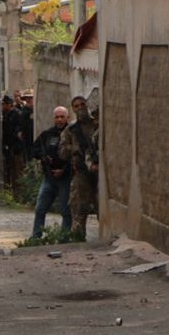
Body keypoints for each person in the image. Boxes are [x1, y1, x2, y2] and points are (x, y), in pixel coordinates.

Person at [30, 106, 74, 239]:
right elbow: (34, 150)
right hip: (49, 178)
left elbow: (76, 156)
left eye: (62, 117)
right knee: (40, 208)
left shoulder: (72, 134)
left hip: (65, 177)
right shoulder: (47, 134)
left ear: (68, 118)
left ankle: (64, 237)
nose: (60, 119)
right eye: (57, 117)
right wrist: (43, 157)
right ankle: (36, 237)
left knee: (66, 210)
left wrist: (63, 170)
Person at [59, 96, 99, 238]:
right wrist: (75, 148)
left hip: (99, 173)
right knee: (78, 209)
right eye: (76, 106)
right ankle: (78, 239)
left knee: (102, 207)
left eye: (82, 104)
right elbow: (62, 153)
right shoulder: (70, 130)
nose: (80, 107)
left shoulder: (96, 125)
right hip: (81, 173)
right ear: (73, 109)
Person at [1, 95, 25, 193]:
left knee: (17, 172)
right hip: (9, 147)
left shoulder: (17, 114)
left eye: (3, 104)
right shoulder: (6, 115)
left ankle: (18, 194)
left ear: (9, 104)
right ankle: (9, 192)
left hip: (16, 148)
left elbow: (17, 131)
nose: (1, 106)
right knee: (8, 170)